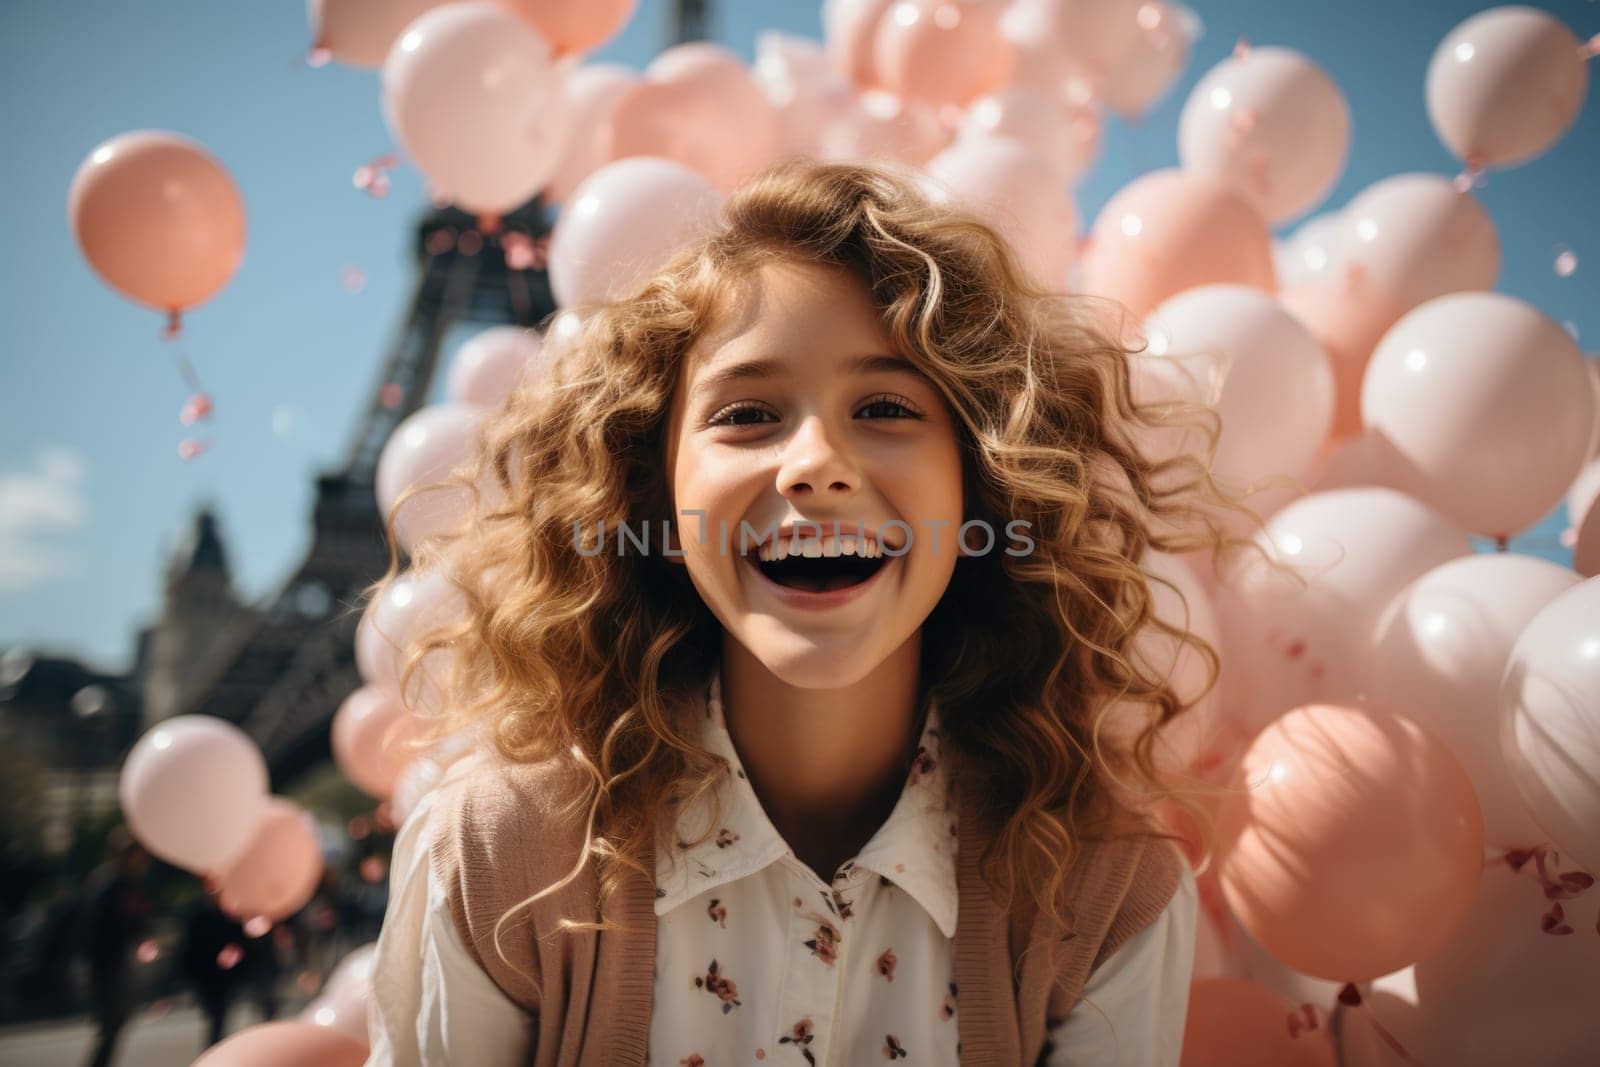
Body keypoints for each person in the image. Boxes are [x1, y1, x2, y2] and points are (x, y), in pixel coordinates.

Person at [366, 159, 1270, 1066]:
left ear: (981, 482)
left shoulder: (1105, 893)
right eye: (749, 414)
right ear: (653, 493)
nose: (816, 464)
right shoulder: (503, 855)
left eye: (884, 405)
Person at [80, 828, 151, 1067]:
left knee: (114, 1025)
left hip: (112, 962)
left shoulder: (119, 883)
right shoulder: (113, 885)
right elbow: (105, 927)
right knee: (111, 1025)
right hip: (109, 965)